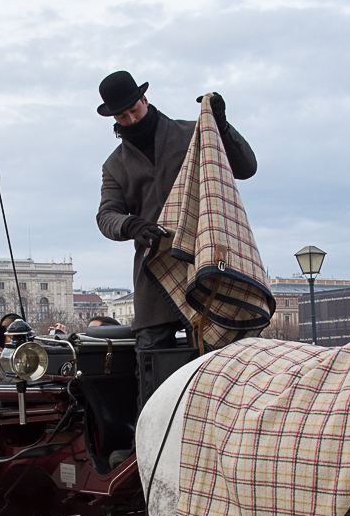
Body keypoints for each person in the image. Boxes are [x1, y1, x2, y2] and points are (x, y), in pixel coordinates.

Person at [93, 70, 257, 395]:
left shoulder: (191, 133)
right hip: (154, 284)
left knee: (229, 366)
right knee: (153, 377)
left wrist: (221, 126)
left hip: (208, 267)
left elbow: (246, 167)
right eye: (121, 116)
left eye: (133, 110)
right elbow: (106, 216)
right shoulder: (114, 165)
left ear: (144, 99)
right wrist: (130, 225)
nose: (129, 118)